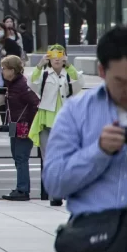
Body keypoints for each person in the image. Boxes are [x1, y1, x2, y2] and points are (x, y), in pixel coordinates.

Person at [43, 26, 127, 252]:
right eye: (120, 82)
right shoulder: (77, 112)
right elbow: (54, 182)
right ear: (102, 71)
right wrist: (98, 152)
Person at [28, 45, 84, 206]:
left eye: (60, 54)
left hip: (65, 123)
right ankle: (55, 194)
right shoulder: (44, 74)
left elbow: (79, 83)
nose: (57, 58)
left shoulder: (68, 74)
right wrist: (40, 64)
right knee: (49, 159)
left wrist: (69, 65)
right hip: (45, 121)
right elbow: (32, 83)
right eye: (53, 55)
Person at [1, 54, 40, 201]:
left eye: (4, 68)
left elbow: (35, 104)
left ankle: (23, 190)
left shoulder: (22, 85)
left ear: (12, 70)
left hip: (23, 125)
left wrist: (29, 124)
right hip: (15, 124)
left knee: (21, 157)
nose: (2, 71)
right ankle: (21, 187)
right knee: (17, 156)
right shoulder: (12, 84)